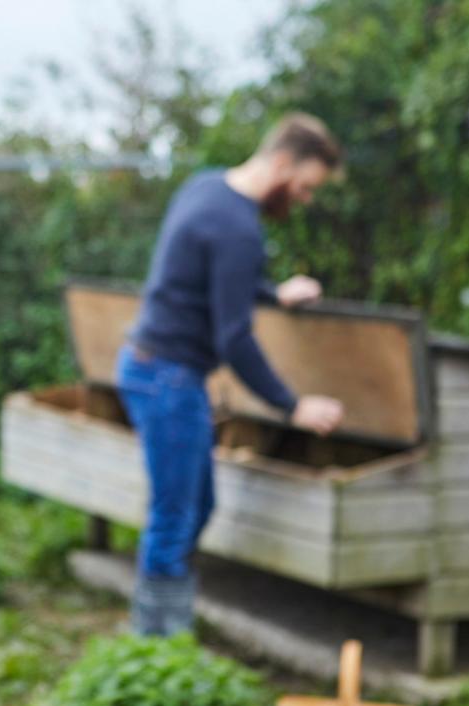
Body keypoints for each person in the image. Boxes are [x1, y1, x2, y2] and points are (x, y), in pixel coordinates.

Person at [116, 112, 346, 637]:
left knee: (196, 507)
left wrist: (272, 292)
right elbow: (234, 339)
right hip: (167, 377)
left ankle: (160, 635)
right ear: (284, 162)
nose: (306, 198)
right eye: (307, 186)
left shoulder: (206, 188)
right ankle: (156, 652)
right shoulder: (240, 228)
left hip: (152, 367)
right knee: (175, 519)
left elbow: (209, 279)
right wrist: (293, 406)